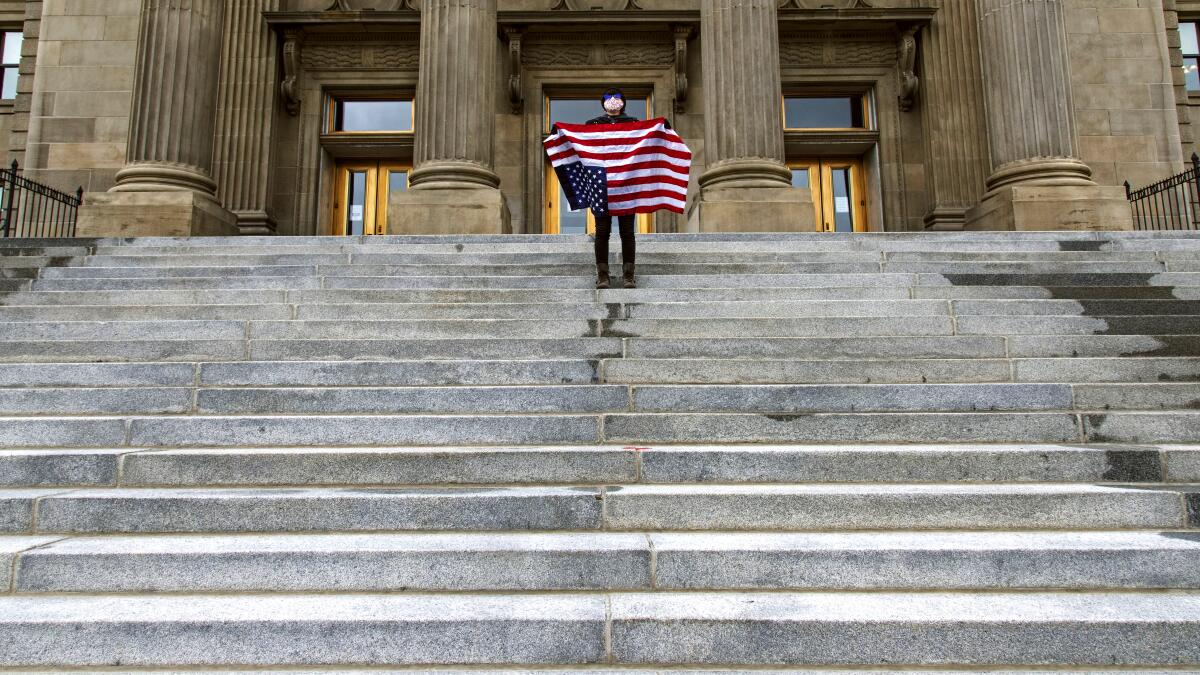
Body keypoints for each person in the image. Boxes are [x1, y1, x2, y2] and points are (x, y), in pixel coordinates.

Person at [586, 88, 638, 289]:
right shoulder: (593, 124)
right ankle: (603, 276)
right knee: (602, 232)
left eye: (617, 98)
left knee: (627, 232)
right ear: (603, 102)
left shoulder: (634, 123)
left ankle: (628, 275)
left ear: (624, 102)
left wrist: (663, 129)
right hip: (602, 184)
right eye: (609, 98)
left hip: (626, 184)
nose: (613, 101)